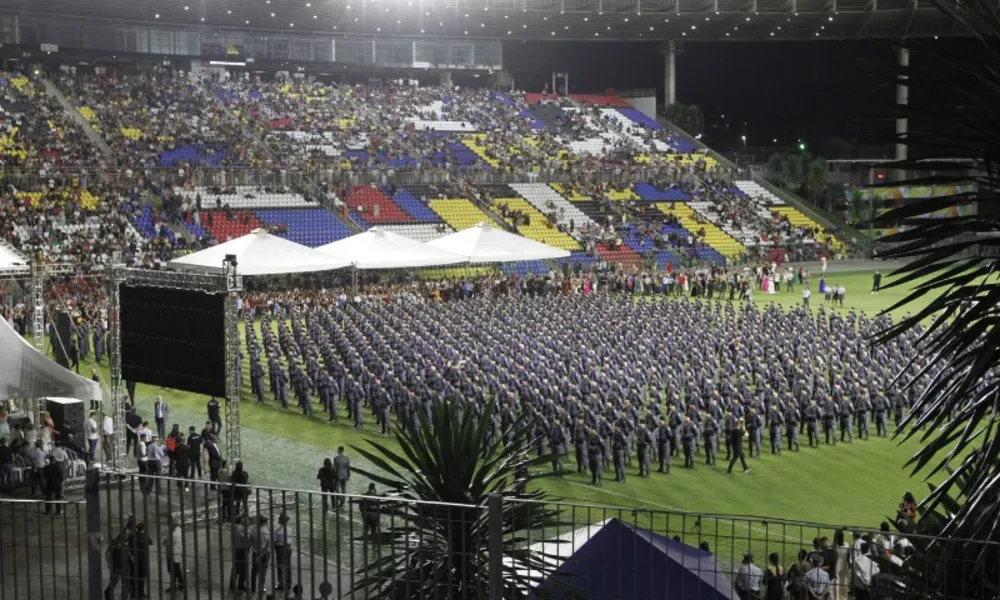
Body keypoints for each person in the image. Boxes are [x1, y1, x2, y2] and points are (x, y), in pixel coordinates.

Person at [250, 515, 272, 594]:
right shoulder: (267, 532)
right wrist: (262, 554)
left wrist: (255, 551)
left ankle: (253, 587)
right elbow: (268, 545)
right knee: (263, 571)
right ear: (265, 522)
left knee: (254, 571)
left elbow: (250, 543)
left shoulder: (253, 531)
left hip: (255, 553)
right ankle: (261, 588)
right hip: (265, 554)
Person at [163, 516, 185, 592]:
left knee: (171, 570)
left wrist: (165, 540)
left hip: (172, 554)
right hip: (178, 552)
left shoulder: (173, 535)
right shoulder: (179, 530)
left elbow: (165, 542)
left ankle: (173, 586)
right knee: (177, 569)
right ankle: (181, 583)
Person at [274, 512, 293, 592]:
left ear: (281, 521)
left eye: (279, 519)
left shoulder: (278, 530)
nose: (278, 520)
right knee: (288, 566)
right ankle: (288, 583)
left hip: (281, 548)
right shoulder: (290, 528)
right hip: (289, 548)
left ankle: (281, 584)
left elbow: (275, 540)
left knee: (280, 567)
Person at [833, 529, 851, 600]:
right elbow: (848, 555)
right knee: (844, 581)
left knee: (836, 581)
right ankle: (844, 598)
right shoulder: (846, 545)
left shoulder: (834, 546)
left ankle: (837, 597)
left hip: (837, 563)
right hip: (844, 563)